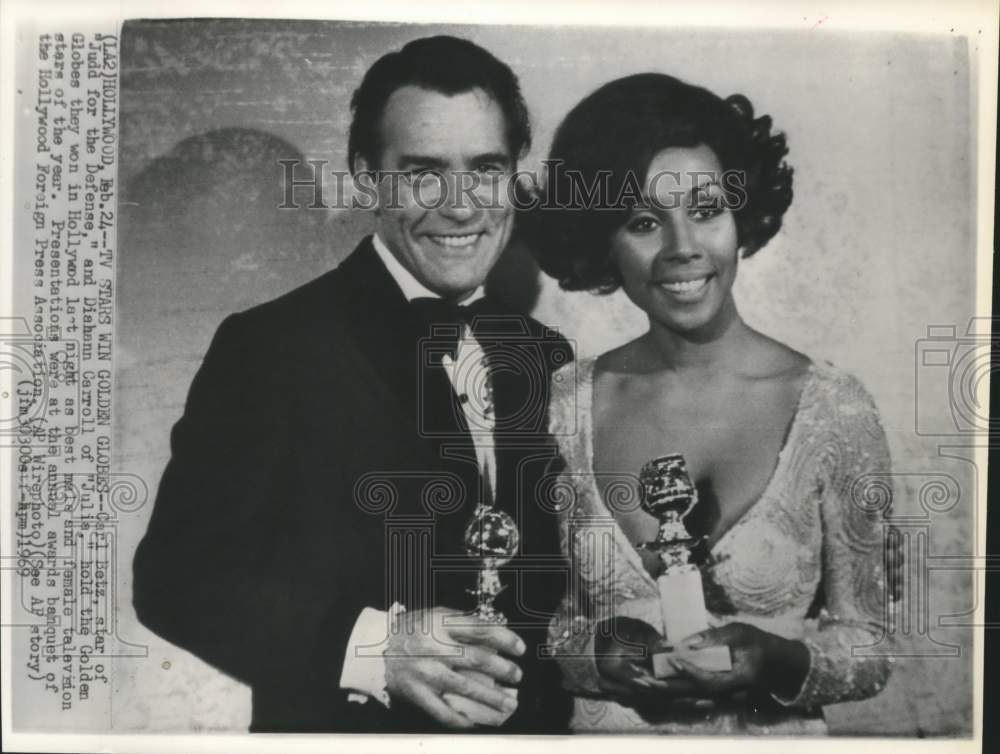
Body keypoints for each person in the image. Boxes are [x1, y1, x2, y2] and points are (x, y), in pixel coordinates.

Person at [132, 35, 572, 733]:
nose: (462, 207)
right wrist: (375, 650)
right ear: (368, 179)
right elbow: (174, 579)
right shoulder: (270, 347)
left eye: (486, 169)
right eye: (424, 173)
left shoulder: (546, 355)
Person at [529, 73, 896, 733]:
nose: (683, 248)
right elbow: (550, 626)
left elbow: (869, 645)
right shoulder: (563, 405)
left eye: (705, 211)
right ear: (602, 239)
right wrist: (598, 654)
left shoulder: (832, 409)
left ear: (740, 215)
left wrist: (776, 660)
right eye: (644, 222)